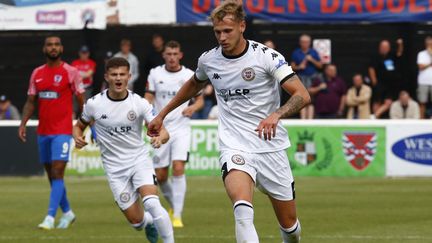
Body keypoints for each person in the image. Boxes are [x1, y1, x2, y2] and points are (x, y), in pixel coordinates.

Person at [148, 1, 311, 242]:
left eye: (228, 31)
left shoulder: (266, 56)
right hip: (235, 145)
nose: (222, 37)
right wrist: (161, 115)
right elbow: (194, 83)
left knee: (290, 227)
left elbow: (302, 94)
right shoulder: (209, 60)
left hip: (271, 147)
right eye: (217, 32)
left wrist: (276, 114)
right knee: (242, 210)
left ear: (242, 26)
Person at [73, 57, 174, 243]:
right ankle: (148, 223)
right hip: (115, 170)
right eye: (113, 74)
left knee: (152, 202)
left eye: (122, 74)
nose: (118, 78)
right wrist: (77, 137)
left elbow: (164, 131)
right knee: (136, 221)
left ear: (129, 76)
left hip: (139, 161)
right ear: (106, 77)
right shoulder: (94, 104)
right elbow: (79, 126)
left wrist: (160, 138)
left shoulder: (139, 103)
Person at [18, 36, 85, 230]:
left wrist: (89, 125)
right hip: (43, 131)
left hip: (63, 131)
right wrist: (23, 123)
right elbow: (31, 101)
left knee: (57, 171)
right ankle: (68, 213)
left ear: (62, 48)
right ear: (44, 49)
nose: (53, 47)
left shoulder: (71, 72)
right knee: (52, 175)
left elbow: (82, 102)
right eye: (50, 45)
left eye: (56, 44)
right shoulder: (37, 73)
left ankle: (49, 217)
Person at [144, 40, 204, 228]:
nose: (171, 57)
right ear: (164, 55)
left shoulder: (188, 75)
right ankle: (173, 206)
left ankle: (177, 215)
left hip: (181, 128)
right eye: (168, 54)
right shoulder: (155, 73)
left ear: (180, 55)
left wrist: (193, 107)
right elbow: (149, 96)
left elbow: (200, 100)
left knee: (178, 167)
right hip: (161, 129)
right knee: (161, 176)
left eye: (174, 54)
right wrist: (147, 112)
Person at [368, 39, 404, 118]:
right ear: (380, 47)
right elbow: (371, 69)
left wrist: (400, 44)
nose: (384, 48)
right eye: (383, 47)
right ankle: (375, 118)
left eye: (386, 47)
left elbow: (399, 53)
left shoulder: (392, 55)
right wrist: (374, 81)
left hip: (390, 85)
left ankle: (374, 116)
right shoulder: (376, 57)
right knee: (377, 101)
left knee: (388, 102)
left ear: (389, 48)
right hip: (380, 84)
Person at [291, 34, 323, 119]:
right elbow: (292, 67)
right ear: (300, 43)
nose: (305, 44)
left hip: (312, 78)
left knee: (311, 100)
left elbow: (320, 66)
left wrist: (311, 59)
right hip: (301, 78)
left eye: (306, 42)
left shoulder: (313, 52)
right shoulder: (296, 52)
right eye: (303, 42)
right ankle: (303, 121)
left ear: (309, 43)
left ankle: (310, 121)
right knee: (302, 99)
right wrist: (299, 67)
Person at [416, 36, 432, 119]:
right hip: (423, 81)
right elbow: (421, 67)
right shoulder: (421, 54)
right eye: (428, 43)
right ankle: (421, 119)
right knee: (422, 102)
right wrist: (430, 64)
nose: (429, 45)